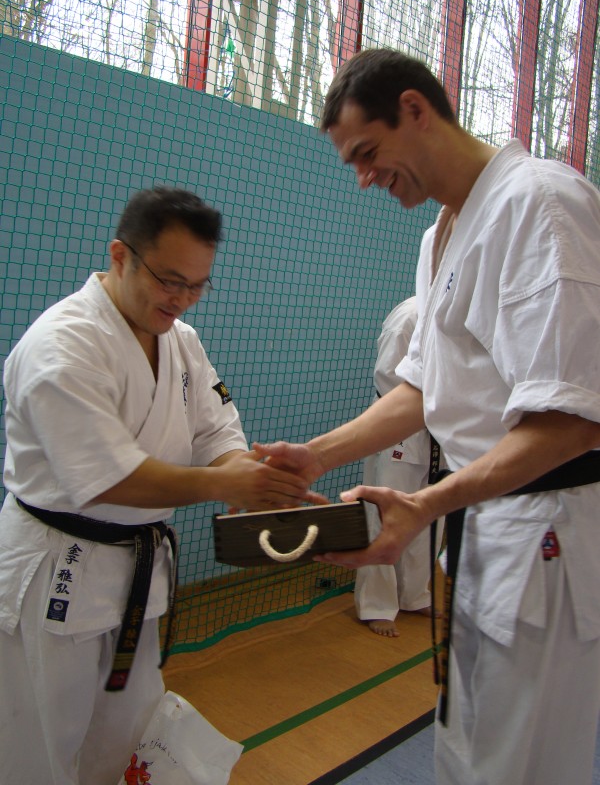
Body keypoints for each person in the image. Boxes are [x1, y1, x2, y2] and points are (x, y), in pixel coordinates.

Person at [254, 50, 600, 785]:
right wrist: (318, 454)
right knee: (469, 746)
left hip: (546, 529)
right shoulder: (441, 232)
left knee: (519, 763)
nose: (363, 178)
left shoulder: (539, 203)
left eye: (367, 153)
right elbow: (422, 387)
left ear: (415, 109)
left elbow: (572, 421)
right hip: (486, 523)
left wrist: (426, 503)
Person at [0, 186, 317, 785]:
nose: (182, 299)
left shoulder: (181, 341)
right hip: (57, 566)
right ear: (121, 256)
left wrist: (254, 480)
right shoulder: (62, 346)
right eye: (170, 281)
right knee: (40, 744)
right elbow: (109, 476)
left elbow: (216, 429)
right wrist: (226, 485)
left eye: (197, 286)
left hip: (136, 571)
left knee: (124, 735)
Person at [355, 295, 441, 637]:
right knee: (384, 517)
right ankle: (376, 604)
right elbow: (387, 376)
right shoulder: (410, 315)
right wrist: (431, 409)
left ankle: (414, 594)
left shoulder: (460, 310)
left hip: (442, 432)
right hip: (400, 432)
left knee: (431, 514)